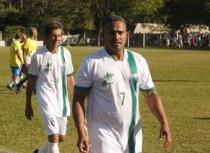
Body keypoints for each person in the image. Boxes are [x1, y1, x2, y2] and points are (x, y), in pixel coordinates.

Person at [72, 15, 172, 153]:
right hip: (102, 134)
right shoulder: (91, 62)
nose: (116, 37)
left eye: (120, 32)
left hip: (132, 135)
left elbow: (150, 94)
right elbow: (78, 99)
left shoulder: (138, 61)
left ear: (126, 35)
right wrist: (81, 132)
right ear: (103, 35)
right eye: (112, 32)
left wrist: (164, 122)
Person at [25, 21, 74, 153]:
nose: (57, 39)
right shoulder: (38, 56)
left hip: (61, 101)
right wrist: (28, 104)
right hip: (46, 100)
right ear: (46, 37)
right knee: (53, 137)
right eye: (53, 36)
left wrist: (76, 100)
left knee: (60, 137)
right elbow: (30, 82)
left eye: (59, 36)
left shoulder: (66, 54)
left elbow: (69, 77)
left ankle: (39, 152)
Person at [15, 27, 38, 93]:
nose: (37, 33)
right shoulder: (28, 41)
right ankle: (35, 90)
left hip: (33, 61)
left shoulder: (34, 41)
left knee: (30, 76)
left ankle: (18, 86)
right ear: (33, 33)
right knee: (32, 76)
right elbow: (24, 52)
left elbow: (35, 52)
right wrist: (25, 63)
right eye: (36, 32)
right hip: (28, 62)